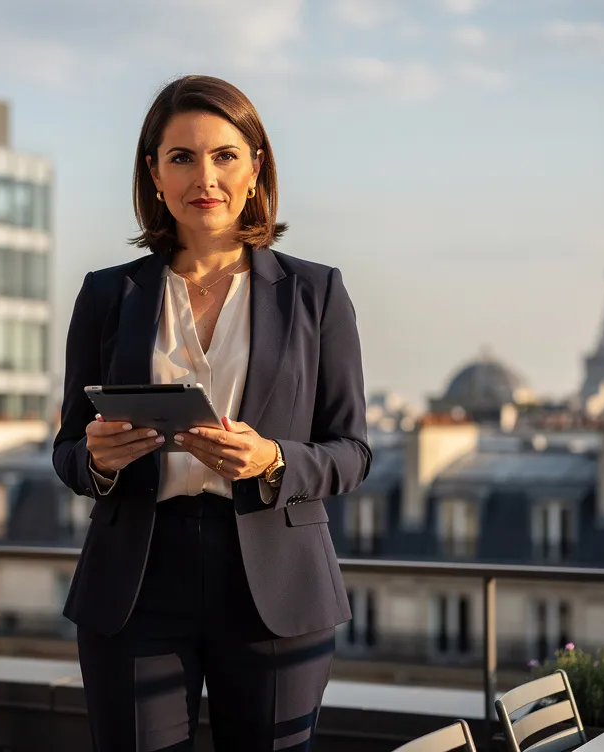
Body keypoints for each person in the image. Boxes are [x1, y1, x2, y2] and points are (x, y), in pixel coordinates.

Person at [52, 74, 372, 752]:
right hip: (136, 583)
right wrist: (98, 461)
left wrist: (274, 459)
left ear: (257, 168)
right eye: (182, 157)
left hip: (275, 583)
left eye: (226, 155)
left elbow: (353, 451)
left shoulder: (316, 294)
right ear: (154, 174)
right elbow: (68, 453)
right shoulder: (107, 296)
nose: (206, 176)